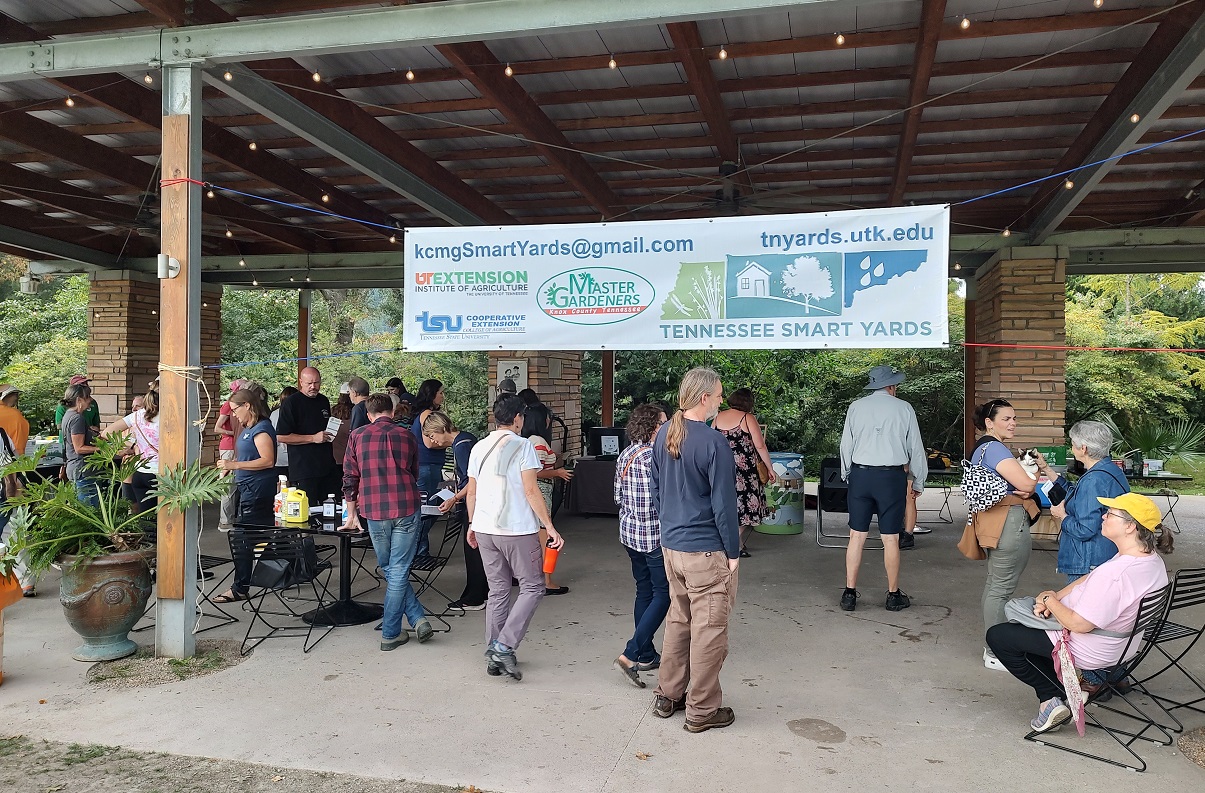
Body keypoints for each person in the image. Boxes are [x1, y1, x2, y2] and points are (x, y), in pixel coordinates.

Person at [986, 493, 1173, 734]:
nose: (1103, 516)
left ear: (1130, 526)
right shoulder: (1146, 560)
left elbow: (1080, 624)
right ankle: (1059, 695)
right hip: (1121, 643)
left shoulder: (1118, 574)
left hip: (1090, 646)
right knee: (1024, 630)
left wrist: (1050, 602)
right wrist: (1055, 596)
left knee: (1000, 636)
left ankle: (1052, 697)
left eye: (1110, 514)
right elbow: (1091, 577)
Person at [649, 367, 740, 733]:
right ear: (704, 397)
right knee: (709, 631)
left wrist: (670, 529)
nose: (721, 400)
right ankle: (701, 710)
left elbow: (657, 492)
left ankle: (668, 696)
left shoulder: (664, 434)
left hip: (672, 547)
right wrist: (732, 552)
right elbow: (723, 505)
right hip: (705, 551)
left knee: (679, 621)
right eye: (718, 395)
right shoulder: (713, 441)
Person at [465, 394, 564, 681]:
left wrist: (472, 523)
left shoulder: (479, 447)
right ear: (518, 418)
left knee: (498, 590)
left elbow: (471, 491)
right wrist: (550, 526)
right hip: (516, 528)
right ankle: (504, 645)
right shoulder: (523, 446)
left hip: (484, 527)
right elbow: (531, 491)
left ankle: (493, 654)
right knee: (533, 587)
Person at [342, 393, 432, 649]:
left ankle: (392, 632)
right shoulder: (407, 436)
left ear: (369, 415)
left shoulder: (357, 436)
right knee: (398, 569)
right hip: (405, 505)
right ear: (391, 412)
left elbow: (350, 477)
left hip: (374, 509)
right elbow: (414, 472)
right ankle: (416, 618)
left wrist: (351, 514)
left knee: (391, 568)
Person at [838, 365, 927, 613]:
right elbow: (915, 449)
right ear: (891, 386)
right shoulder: (904, 408)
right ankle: (893, 595)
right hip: (891, 478)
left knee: (856, 535)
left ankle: (849, 593)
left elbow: (846, 444)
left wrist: (848, 473)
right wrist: (918, 480)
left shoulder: (856, 407)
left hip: (861, 475)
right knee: (890, 538)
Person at [970, 398, 1041, 670]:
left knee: (995, 585)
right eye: (1006, 419)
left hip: (995, 521)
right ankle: (995, 651)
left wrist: (1026, 485)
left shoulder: (983, 449)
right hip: (1007, 522)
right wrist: (1031, 483)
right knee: (1000, 588)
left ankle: (995, 646)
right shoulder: (995, 449)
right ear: (989, 423)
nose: (1013, 423)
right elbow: (1025, 483)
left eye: (1014, 418)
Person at [612, 403, 669, 688]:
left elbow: (617, 496)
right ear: (652, 427)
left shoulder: (626, 454)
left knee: (644, 590)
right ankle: (631, 653)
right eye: (663, 423)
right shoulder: (657, 458)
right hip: (655, 537)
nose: (667, 427)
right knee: (665, 594)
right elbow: (665, 500)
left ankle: (646, 653)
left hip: (630, 534)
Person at [1034, 421, 1128, 584]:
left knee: (1080, 608)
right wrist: (1047, 469)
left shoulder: (1093, 480)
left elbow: (1084, 530)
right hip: (1107, 554)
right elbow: (1075, 492)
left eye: (1073, 444)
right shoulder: (1110, 471)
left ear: (1083, 448)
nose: (1072, 448)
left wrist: (1062, 516)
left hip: (1088, 562)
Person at [213, 388, 277, 603]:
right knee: (257, 536)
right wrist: (231, 468)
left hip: (257, 490)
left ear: (247, 406)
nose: (233, 415)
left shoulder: (262, 428)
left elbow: (268, 460)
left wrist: (235, 464)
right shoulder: (248, 427)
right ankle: (278, 572)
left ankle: (240, 587)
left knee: (244, 540)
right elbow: (248, 455)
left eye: (235, 410)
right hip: (247, 486)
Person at [423, 411, 486, 611]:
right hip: (472, 499)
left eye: (433, 436)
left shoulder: (461, 446)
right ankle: (476, 593)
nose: (434, 441)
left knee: (472, 549)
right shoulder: (466, 438)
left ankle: (475, 597)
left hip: (473, 502)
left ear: (440, 429)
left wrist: (454, 498)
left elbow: (472, 480)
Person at [712, 388, 775, 557]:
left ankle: (737, 546)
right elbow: (760, 445)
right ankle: (729, 541)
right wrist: (770, 468)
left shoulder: (717, 418)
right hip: (745, 473)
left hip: (722, 471)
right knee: (748, 509)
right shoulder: (747, 418)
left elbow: (711, 443)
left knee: (730, 508)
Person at [519, 402, 573, 595]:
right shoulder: (539, 441)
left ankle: (530, 577)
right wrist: (557, 472)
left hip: (533, 492)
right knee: (545, 537)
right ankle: (546, 581)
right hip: (541, 491)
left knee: (533, 537)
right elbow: (536, 473)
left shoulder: (527, 441)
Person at [275, 367, 339, 502]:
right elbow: (281, 436)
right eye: (309, 383)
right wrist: (313, 438)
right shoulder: (291, 403)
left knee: (331, 510)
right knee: (307, 511)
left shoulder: (323, 400)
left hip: (327, 466)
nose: (313, 387)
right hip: (304, 469)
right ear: (301, 382)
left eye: (316, 383)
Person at [100, 388, 160, 520]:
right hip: (160, 473)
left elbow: (106, 433)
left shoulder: (137, 416)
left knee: (146, 519)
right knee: (166, 520)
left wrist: (132, 445)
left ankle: (148, 539)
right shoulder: (168, 416)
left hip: (140, 472)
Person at [410, 379, 448, 558]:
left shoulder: (424, 413)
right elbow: (429, 443)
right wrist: (448, 442)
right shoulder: (427, 415)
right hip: (427, 465)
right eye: (440, 392)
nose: (442, 396)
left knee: (428, 508)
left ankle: (420, 549)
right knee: (428, 509)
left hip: (429, 465)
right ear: (432, 394)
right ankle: (418, 550)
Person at [60, 382, 101, 507]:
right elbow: (79, 448)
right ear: (79, 400)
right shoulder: (77, 418)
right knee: (90, 509)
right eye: (87, 396)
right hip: (81, 469)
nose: (90, 400)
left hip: (75, 468)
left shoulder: (68, 415)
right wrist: (101, 449)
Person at [213, 379, 247, 529]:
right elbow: (217, 428)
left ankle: (232, 518)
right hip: (228, 447)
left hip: (237, 446)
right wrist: (234, 433)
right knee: (228, 484)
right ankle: (225, 520)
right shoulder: (229, 405)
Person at [269, 386, 297, 481]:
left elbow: (271, 435)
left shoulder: (274, 414)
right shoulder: (298, 412)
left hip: (279, 458)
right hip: (295, 458)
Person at [0, 385, 30, 459]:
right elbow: (19, 441)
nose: (17, 398)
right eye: (15, 395)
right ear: (7, 395)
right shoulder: (14, 414)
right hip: (10, 461)